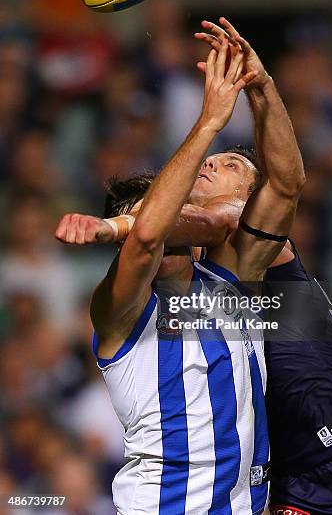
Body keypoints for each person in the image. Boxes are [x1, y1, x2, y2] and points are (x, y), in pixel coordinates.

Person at [56, 32, 305, 515]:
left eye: (167, 208)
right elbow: (147, 237)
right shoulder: (121, 309)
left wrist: (261, 84)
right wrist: (211, 121)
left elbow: (286, 185)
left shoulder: (230, 280)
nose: (156, 224)